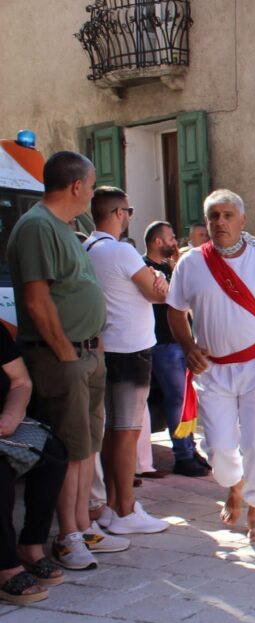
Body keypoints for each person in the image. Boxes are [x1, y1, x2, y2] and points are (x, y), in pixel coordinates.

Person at [166, 189, 255, 541]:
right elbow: (174, 311)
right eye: (214, 216)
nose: (221, 222)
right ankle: (233, 484)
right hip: (212, 371)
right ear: (206, 221)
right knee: (220, 448)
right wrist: (188, 346)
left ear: (242, 220)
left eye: (228, 215)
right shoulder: (191, 263)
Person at [6, 151, 113, 570]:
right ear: (76, 186)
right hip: (62, 356)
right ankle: (67, 537)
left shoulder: (66, 228)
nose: (91, 191)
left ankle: (82, 524)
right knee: (69, 448)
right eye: (90, 184)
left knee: (87, 446)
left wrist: (92, 344)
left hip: (86, 353)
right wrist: (67, 353)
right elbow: (37, 299)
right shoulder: (36, 227)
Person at [84, 188, 169, 534]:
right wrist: (159, 280)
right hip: (130, 351)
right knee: (127, 432)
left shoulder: (86, 247)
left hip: (106, 348)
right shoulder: (121, 251)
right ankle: (125, 509)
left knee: (111, 432)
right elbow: (156, 292)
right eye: (129, 210)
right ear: (119, 213)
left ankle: (110, 505)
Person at [0, 325, 68, 604]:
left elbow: (20, 382)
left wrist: (10, 416)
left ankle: (30, 544)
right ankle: (5, 566)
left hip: (4, 425)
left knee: (53, 454)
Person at [143, 221, 209, 477]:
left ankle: (190, 450)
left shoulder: (172, 268)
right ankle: (182, 456)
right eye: (171, 238)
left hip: (182, 343)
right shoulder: (145, 268)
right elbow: (170, 299)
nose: (175, 241)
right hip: (164, 344)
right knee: (177, 399)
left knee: (187, 398)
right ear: (158, 242)